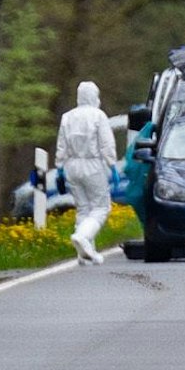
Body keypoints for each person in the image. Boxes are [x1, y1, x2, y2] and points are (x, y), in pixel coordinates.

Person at [56, 81, 118, 265]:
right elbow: (106, 143)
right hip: (92, 164)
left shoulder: (67, 117)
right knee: (101, 207)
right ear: (94, 96)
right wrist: (112, 164)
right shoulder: (98, 116)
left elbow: (61, 144)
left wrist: (59, 167)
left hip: (71, 165)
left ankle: (85, 252)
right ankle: (83, 237)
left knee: (83, 207)